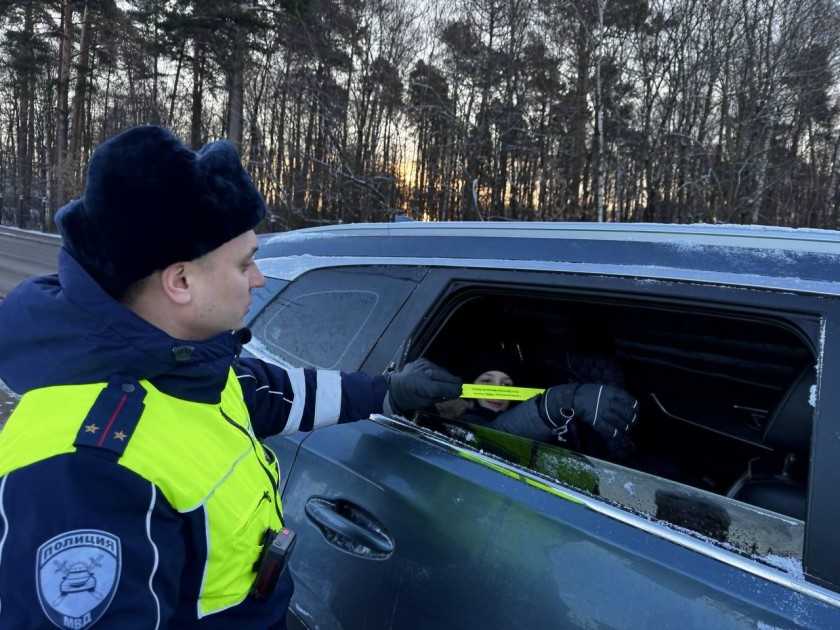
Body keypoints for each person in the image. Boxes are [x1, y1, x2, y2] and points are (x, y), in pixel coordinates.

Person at [0, 125, 462, 629]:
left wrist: (389, 392)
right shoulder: (85, 471)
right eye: (246, 264)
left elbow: (279, 395)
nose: (260, 279)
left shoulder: (187, 367)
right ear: (180, 281)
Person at [437, 348, 639, 461]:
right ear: (471, 387)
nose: (497, 391)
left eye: (507, 384)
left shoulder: (524, 416)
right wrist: (557, 403)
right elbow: (493, 433)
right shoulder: (462, 421)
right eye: (487, 381)